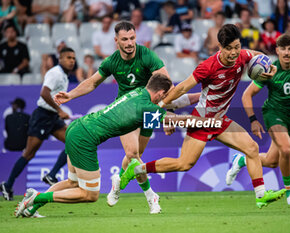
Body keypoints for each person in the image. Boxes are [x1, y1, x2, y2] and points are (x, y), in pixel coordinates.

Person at [120, 24, 286, 209]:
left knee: (252, 148)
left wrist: (268, 65)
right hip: (202, 120)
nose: (233, 53)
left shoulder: (242, 56)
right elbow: (182, 88)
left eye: (237, 47)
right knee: (184, 164)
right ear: (220, 47)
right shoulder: (208, 66)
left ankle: (261, 195)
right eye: (229, 49)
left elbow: (254, 54)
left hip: (221, 120)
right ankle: (137, 169)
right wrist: (159, 105)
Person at [14, 74, 212, 218]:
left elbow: (168, 111)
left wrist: (198, 97)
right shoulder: (147, 107)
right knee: (89, 194)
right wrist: (210, 122)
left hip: (76, 128)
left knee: (73, 183)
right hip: (85, 138)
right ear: (160, 93)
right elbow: (175, 118)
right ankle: (38, 198)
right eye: (165, 96)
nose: (165, 100)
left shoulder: (136, 93)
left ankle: (31, 204)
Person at [54, 21, 200, 214]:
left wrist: (165, 114)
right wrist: (70, 95)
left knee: (133, 158)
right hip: (127, 111)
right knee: (133, 155)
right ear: (116, 41)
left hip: (149, 109)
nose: (130, 43)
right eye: (125, 39)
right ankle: (151, 196)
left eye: (132, 38)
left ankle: (119, 183)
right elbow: (92, 83)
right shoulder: (112, 61)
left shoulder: (146, 55)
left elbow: (167, 86)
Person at [226, 32, 290, 205]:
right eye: (283, 49)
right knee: (287, 150)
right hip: (273, 113)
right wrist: (253, 119)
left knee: (273, 161)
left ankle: (242, 160)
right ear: (277, 51)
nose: (287, 53)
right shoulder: (268, 69)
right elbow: (247, 95)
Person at [0, 47, 76, 201]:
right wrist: (59, 110)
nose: (71, 61)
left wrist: (58, 112)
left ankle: (52, 175)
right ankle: (7, 185)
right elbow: (44, 93)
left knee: (73, 141)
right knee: (29, 153)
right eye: (68, 57)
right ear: (60, 59)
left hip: (53, 117)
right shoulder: (55, 73)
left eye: (73, 58)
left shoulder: (65, 76)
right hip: (42, 115)